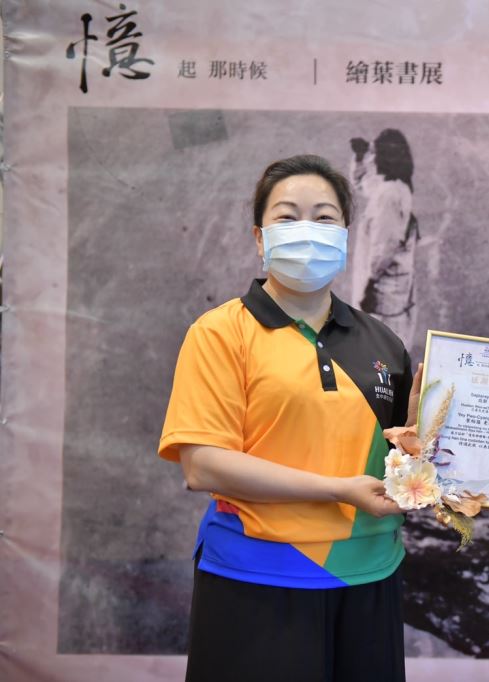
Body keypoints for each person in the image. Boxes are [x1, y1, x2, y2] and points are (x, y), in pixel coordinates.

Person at [158, 154, 419, 682]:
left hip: (370, 576)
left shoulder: (384, 342)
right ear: (260, 238)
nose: (307, 230)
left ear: (345, 235)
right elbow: (203, 466)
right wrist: (337, 490)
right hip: (256, 576)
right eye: (287, 216)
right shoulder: (220, 332)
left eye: (324, 217)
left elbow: (404, 457)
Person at [348, 129, 419, 344]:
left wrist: (369, 286)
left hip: (382, 290)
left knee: (381, 348)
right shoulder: (394, 187)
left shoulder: (389, 195)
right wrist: (360, 157)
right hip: (388, 285)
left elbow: (384, 247)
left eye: (374, 152)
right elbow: (364, 183)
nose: (371, 158)